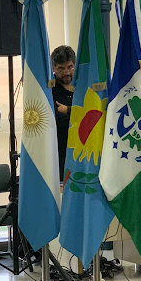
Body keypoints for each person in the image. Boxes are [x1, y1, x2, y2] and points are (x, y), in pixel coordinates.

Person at [51, 45, 75, 181]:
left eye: (70, 67)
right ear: (54, 68)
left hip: (83, 150)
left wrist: (68, 110)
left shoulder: (84, 85)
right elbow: (59, 121)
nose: (66, 72)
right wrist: (79, 113)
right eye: (61, 68)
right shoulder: (49, 89)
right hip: (60, 154)